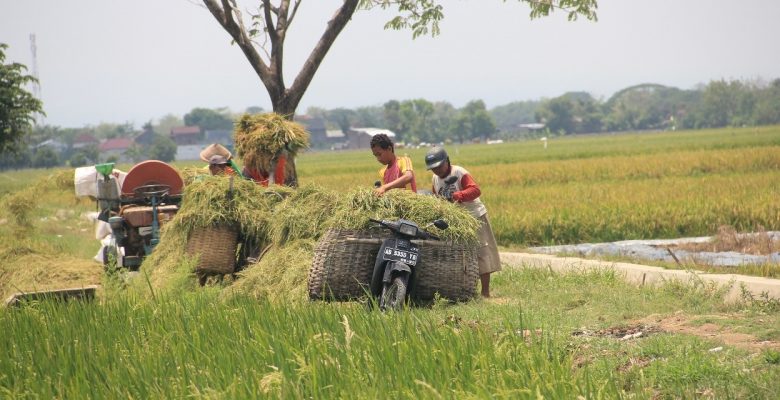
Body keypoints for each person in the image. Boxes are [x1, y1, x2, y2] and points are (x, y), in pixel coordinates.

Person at [425, 146, 501, 298]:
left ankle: (485, 292)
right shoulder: (435, 179)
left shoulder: (459, 172)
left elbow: (475, 190)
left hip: (474, 217)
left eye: (439, 166)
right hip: (456, 221)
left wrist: (457, 195)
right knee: (460, 255)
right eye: (433, 168)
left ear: (447, 161)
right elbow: (437, 198)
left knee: (481, 252)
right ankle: (466, 290)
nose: (437, 170)